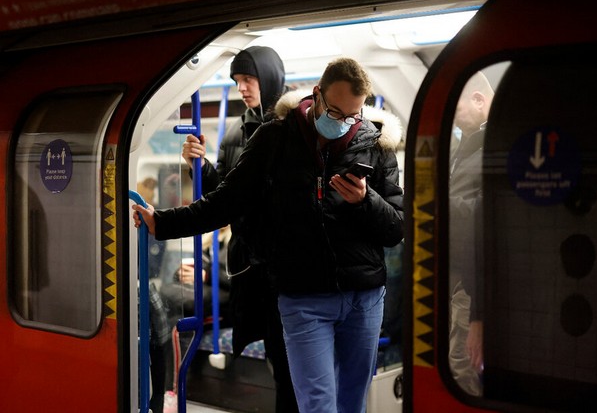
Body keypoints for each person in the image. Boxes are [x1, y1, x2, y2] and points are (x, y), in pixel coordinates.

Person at [133, 57, 404, 413]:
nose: (342, 123)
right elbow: (227, 201)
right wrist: (163, 222)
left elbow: (395, 228)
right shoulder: (275, 139)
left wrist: (365, 200)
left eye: (352, 116)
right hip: (304, 296)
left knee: (352, 402)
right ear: (317, 94)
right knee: (317, 404)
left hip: (364, 297)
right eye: (335, 112)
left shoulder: (376, 145)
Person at [181, 45, 299, 412]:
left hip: (292, 264)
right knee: (279, 359)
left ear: (269, 78)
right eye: (236, 81)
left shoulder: (297, 124)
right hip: (253, 266)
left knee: (296, 361)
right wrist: (200, 167)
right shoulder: (236, 131)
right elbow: (224, 196)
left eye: (248, 79)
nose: (242, 88)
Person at [448, 71, 494, 397]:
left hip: (474, 277)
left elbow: (486, 214)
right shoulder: (464, 146)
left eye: (457, 109)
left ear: (479, 100)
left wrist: (439, 203)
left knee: (461, 363)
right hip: (455, 272)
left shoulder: (495, 148)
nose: (452, 119)